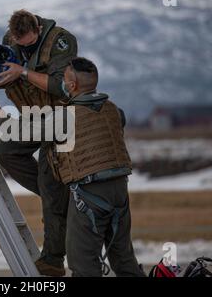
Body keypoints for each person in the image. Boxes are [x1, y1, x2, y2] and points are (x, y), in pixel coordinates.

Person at [0, 9, 78, 276]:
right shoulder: (10, 41)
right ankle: (58, 196)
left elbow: (60, 87)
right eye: (20, 44)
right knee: (5, 150)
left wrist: (23, 71)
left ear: (38, 29)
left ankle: (52, 261)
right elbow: (8, 73)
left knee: (48, 174)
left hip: (63, 116)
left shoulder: (61, 41)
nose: (24, 47)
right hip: (34, 116)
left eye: (29, 43)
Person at [47, 57, 145, 277]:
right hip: (119, 190)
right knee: (123, 258)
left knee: (82, 261)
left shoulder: (65, 117)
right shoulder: (114, 111)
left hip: (88, 193)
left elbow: (28, 136)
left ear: (72, 86)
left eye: (64, 79)